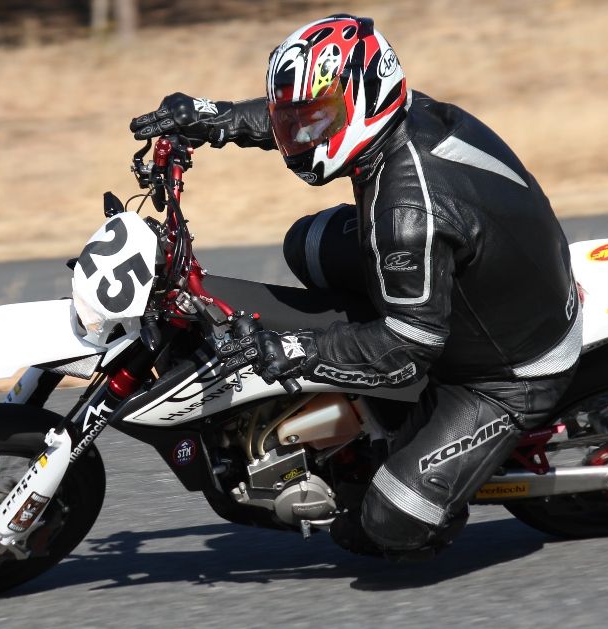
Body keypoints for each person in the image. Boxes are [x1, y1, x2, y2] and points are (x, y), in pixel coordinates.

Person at [130, 14, 581, 560]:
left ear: (365, 100)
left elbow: (409, 350)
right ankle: (375, 351)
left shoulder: (406, 213)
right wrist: (214, 119)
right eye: (298, 118)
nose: (299, 135)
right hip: (485, 270)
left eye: (315, 118)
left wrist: (295, 350)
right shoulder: (403, 115)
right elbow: (296, 116)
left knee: (382, 524)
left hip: (505, 372)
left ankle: (428, 478)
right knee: (305, 243)